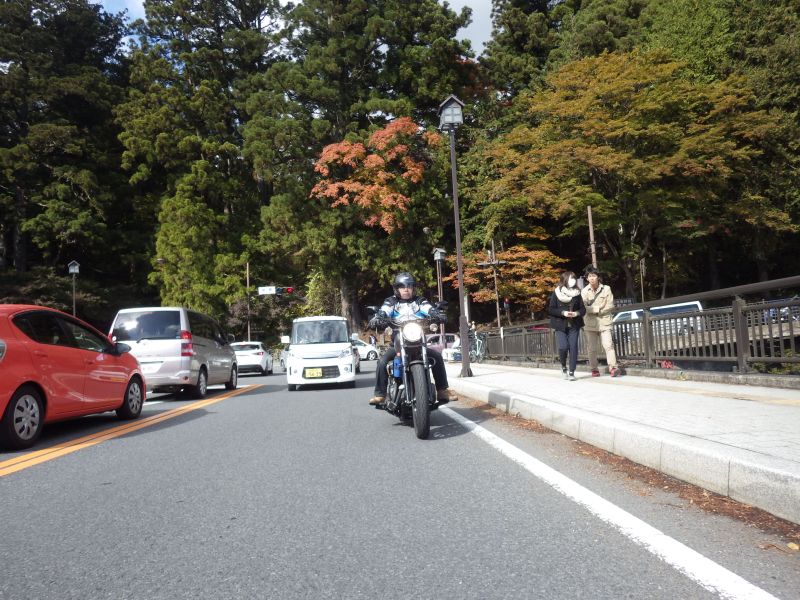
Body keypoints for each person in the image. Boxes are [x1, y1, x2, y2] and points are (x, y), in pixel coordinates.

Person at [367, 272, 456, 406]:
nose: (406, 289)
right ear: (397, 289)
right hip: (397, 342)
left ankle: (442, 390)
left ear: (413, 288)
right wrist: (378, 317)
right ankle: (380, 394)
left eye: (409, 286)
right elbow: (384, 310)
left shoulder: (420, 301)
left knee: (437, 357)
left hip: (418, 341)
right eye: (402, 286)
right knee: (382, 362)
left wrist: (436, 312)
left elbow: (428, 308)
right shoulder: (391, 301)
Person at [581, 266, 620, 377]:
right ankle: (594, 369)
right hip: (590, 324)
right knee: (592, 349)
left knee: (608, 345)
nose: (592, 278)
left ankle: (613, 368)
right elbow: (583, 308)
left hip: (604, 322)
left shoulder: (606, 289)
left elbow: (610, 305)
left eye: (594, 276)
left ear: (598, 277)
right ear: (587, 278)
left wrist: (594, 310)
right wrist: (598, 308)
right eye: (589, 276)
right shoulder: (584, 291)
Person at [547, 271, 586, 381]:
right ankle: (563, 367)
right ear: (564, 280)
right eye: (570, 278)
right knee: (563, 347)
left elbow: (583, 309)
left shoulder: (577, 293)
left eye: (574, 278)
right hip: (560, 325)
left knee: (573, 347)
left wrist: (576, 313)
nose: (573, 280)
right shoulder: (557, 292)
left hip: (574, 324)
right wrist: (562, 313)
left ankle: (572, 371)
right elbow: (550, 309)